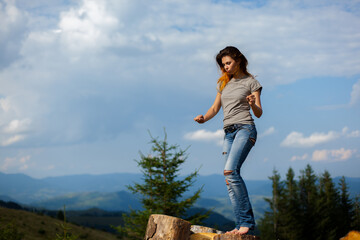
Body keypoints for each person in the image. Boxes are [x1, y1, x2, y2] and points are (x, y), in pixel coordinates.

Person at [194, 46, 263, 235]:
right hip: (229, 133)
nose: (225, 67)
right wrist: (204, 119)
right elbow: (215, 108)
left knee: (230, 171)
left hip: (245, 129)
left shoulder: (251, 82)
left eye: (228, 63)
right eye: (223, 64)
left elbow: (258, 112)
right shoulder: (223, 83)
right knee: (229, 178)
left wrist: (251, 104)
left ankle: (247, 223)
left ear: (238, 60)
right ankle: (240, 224)